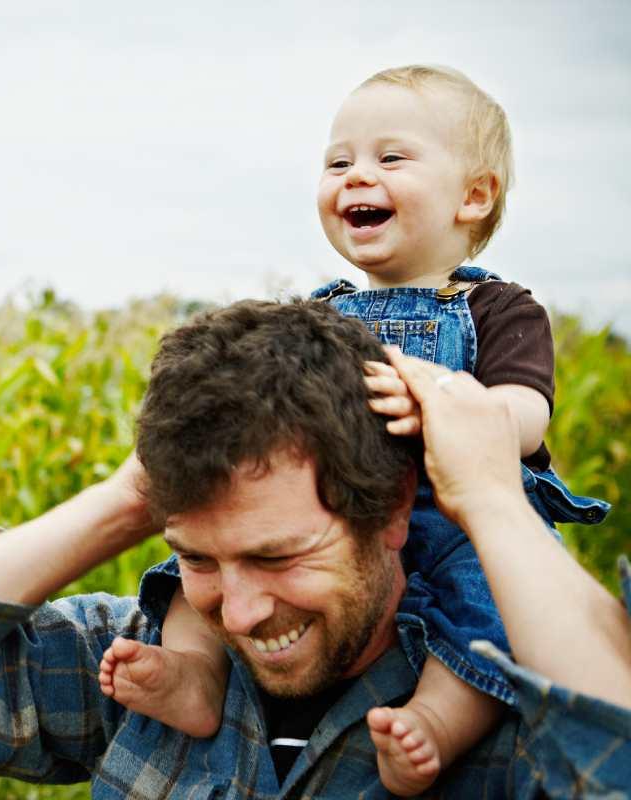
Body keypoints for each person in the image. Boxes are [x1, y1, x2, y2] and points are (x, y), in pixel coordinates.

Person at [0, 299, 631, 798]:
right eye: (197, 558)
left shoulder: (499, 710)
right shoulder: (139, 674)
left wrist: (488, 496)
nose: (242, 612)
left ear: (394, 514)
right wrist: (123, 505)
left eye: (277, 556)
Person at [112, 65, 611, 795]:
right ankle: (193, 675)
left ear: (473, 196)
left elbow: (529, 412)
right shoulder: (322, 310)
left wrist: (453, 411)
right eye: (338, 161)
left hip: (459, 515)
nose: (355, 177)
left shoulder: (495, 309)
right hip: (344, 510)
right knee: (198, 573)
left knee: (486, 612)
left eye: (391, 158)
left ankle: (437, 722)